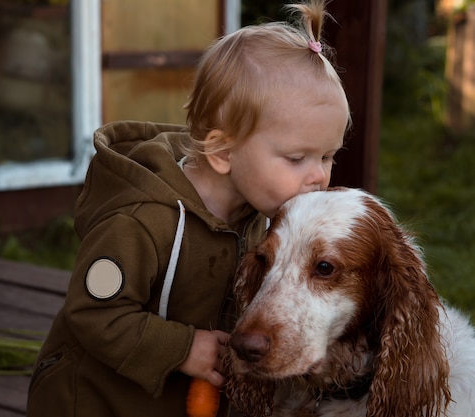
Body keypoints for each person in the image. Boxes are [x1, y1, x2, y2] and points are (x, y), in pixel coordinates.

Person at [26, 1, 350, 416]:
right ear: (221, 151)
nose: (318, 177)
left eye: (327, 157)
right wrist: (181, 348)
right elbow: (91, 312)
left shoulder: (261, 214)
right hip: (94, 399)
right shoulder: (140, 219)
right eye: (296, 158)